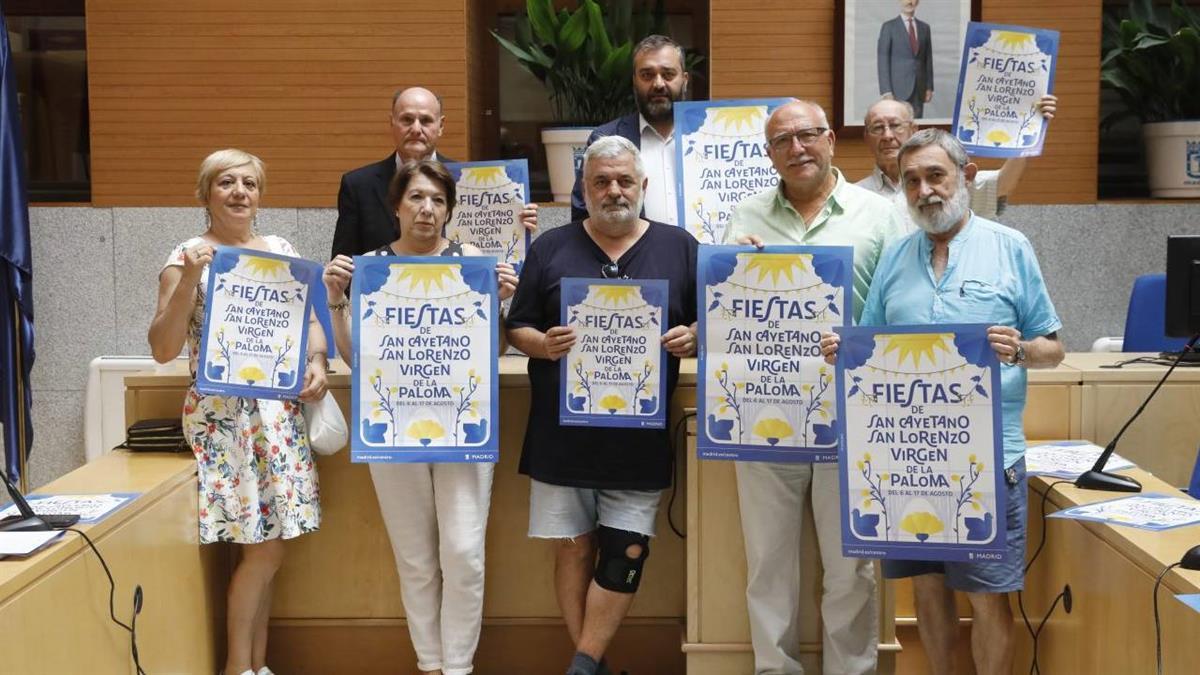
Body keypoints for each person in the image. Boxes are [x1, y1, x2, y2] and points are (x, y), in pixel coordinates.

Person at [821, 129, 1064, 675]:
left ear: (966, 177)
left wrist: (1021, 350)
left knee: (986, 596)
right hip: (907, 456)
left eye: (936, 176)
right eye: (912, 181)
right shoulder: (897, 256)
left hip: (987, 459)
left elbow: (1054, 348)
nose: (925, 190)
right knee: (927, 589)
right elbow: (871, 344)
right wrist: (844, 346)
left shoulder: (1010, 247)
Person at [724, 99, 904, 675]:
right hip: (763, 413)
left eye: (806, 135)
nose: (796, 148)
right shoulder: (745, 216)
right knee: (767, 564)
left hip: (851, 417)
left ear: (830, 139)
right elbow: (723, 308)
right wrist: (733, 269)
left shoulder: (880, 215)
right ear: (769, 154)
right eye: (782, 141)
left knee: (851, 565)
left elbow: (899, 310)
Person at [506, 135, 698, 675]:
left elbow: (718, 316)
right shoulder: (549, 248)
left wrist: (695, 336)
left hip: (638, 437)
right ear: (583, 189)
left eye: (624, 180)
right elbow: (516, 324)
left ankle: (584, 664)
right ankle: (590, 664)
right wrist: (541, 345)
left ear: (644, 186)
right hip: (561, 433)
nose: (614, 190)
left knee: (626, 550)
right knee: (572, 549)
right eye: (601, 181)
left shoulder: (680, 247)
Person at [322, 159, 518, 675]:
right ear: (396, 206)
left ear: (450, 209)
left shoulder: (472, 260)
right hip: (393, 426)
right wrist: (336, 300)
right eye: (416, 198)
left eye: (437, 200)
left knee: (464, 554)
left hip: (462, 425)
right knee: (414, 559)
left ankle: (458, 667)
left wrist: (499, 305)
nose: (427, 209)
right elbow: (351, 355)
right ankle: (430, 665)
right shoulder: (370, 265)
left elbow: (494, 349)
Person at [148, 148, 329, 675]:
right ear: (206, 194)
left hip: (278, 418)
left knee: (268, 548)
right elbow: (162, 346)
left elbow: (310, 322)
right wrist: (187, 281)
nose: (239, 192)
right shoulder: (186, 255)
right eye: (226, 182)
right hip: (225, 422)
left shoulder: (279, 250)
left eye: (249, 183)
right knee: (262, 549)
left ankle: (257, 665)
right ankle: (235, 667)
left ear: (261, 194)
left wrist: (316, 361)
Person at [332, 86, 538, 258]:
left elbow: (489, 268)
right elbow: (345, 266)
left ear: (441, 126)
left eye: (426, 120)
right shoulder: (358, 185)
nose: (416, 128)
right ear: (392, 123)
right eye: (407, 119)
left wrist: (514, 223)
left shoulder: (467, 183)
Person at [858, 96, 1059, 222]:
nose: (887, 135)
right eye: (877, 128)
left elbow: (1003, 183)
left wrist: (1033, 126)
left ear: (913, 129)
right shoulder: (854, 196)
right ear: (867, 138)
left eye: (895, 125)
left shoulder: (947, 181)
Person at [568, 35, 689, 224]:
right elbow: (583, 216)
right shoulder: (605, 138)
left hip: (704, 252)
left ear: (684, 79)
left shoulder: (713, 139)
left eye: (668, 74)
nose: (658, 84)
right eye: (647, 75)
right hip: (634, 254)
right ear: (634, 81)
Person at [877, 0, 933, 118]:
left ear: (917, 2)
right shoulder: (889, 27)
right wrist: (886, 91)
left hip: (919, 89)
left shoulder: (925, 28)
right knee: (898, 125)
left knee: (916, 127)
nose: (909, 2)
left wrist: (929, 87)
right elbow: (882, 61)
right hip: (897, 90)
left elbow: (928, 59)